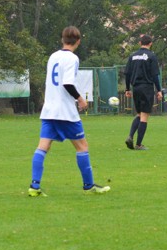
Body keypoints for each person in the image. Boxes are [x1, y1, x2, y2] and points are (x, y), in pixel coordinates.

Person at [28, 26, 110, 197]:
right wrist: (80, 99)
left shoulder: (53, 56)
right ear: (78, 41)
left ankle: (34, 187)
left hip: (49, 110)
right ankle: (88, 186)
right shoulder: (72, 58)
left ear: (62, 39)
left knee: (43, 147)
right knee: (82, 147)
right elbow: (67, 83)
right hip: (65, 112)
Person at [124, 34, 162, 150]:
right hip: (147, 88)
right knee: (144, 116)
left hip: (135, 88)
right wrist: (159, 90)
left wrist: (127, 89)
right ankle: (138, 144)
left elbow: (127, 74)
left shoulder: (132, 56)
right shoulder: (151, 56)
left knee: (139, 114)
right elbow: (155, 75)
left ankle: (130, 136)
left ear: (140, 43)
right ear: (150, 43)